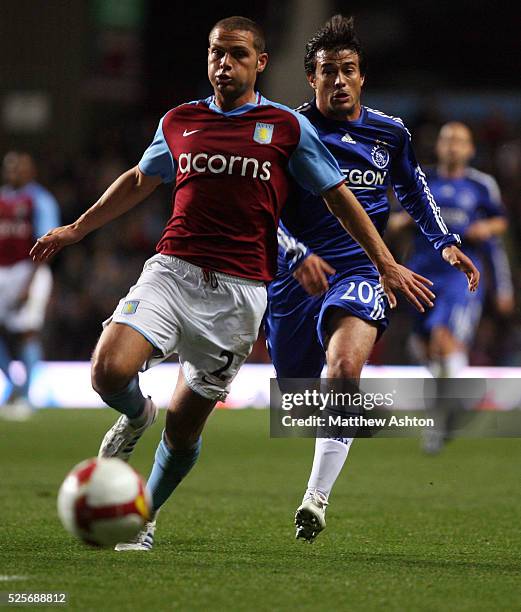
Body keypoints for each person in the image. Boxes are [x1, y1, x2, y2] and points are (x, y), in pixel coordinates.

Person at [30, 16, 434, 551]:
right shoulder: (179, 120)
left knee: (185, 428)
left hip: (239, 295)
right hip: (171, 272)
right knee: (107, 371)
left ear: (260, 63)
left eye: (238, 54)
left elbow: (338, 196)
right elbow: (138, 180)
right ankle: (135, 413)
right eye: (217, 53)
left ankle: (142, 517)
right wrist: (78, 229)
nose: (224, 63)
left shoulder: (287, 128)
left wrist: (383, 261)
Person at [264, 16, 479, 542]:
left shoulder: (390, 133)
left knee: (341, 370)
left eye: (349, 71)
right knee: (298, 387)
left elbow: (414, 190)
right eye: (328, 72)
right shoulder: (289, 132)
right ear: (311, 80)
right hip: (297, 277)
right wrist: (294, 254)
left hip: (363, 270)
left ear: (362, 78)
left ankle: (315, 498)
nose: (339, 80)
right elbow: (262, 211)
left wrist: (445, 241)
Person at [396, 122, 509, 453]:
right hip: (421, 273)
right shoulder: (422, 180)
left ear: (470, 149)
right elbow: (397, 217)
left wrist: (485, 227)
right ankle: (453, 402)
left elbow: (500, 221)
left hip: (459, 278)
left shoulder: (481, 185)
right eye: (447, 140)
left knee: (444, 342)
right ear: (439, 146)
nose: (453, 146)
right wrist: (401, 222)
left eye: (460, 141)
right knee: (424, 347)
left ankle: (438, 422)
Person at [0, 152, 60, 421]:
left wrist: (30, 282)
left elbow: (47, 243)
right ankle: (13, 386)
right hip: (2, 270)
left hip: (28, 269)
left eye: (18, 167)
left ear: (30, 171)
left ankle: (25, 395)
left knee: (27, 332)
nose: (12, 171)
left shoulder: (40, 200)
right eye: (9, 166)